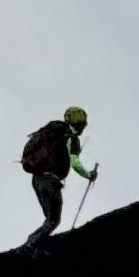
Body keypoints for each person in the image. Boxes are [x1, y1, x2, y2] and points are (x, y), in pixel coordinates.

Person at [22, 107, 96, 254]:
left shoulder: (52, 130)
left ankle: (38, 247)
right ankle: (30, 246)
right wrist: (89, 175)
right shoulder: (72, 139)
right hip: (51, 181)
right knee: (53, 220)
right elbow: (75, 163)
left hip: (37, 179)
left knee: (49, 219)